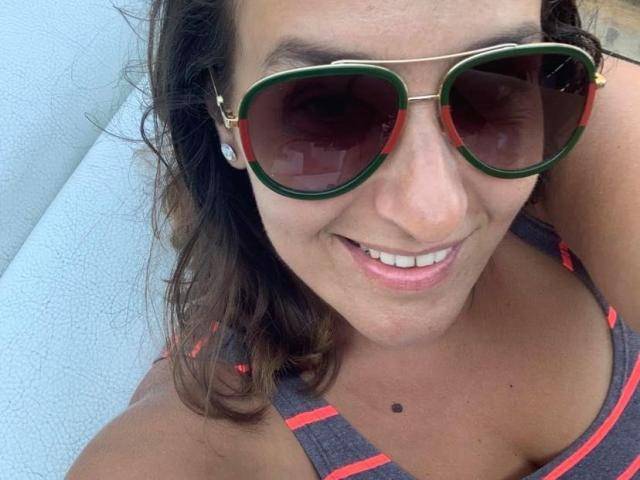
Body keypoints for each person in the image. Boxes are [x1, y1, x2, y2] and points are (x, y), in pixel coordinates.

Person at [67, 1, 640, 479]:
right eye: (327, 110)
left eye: (492, 82)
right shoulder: (193, 443)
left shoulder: (570, 117)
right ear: (222, 115)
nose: (433, 214)